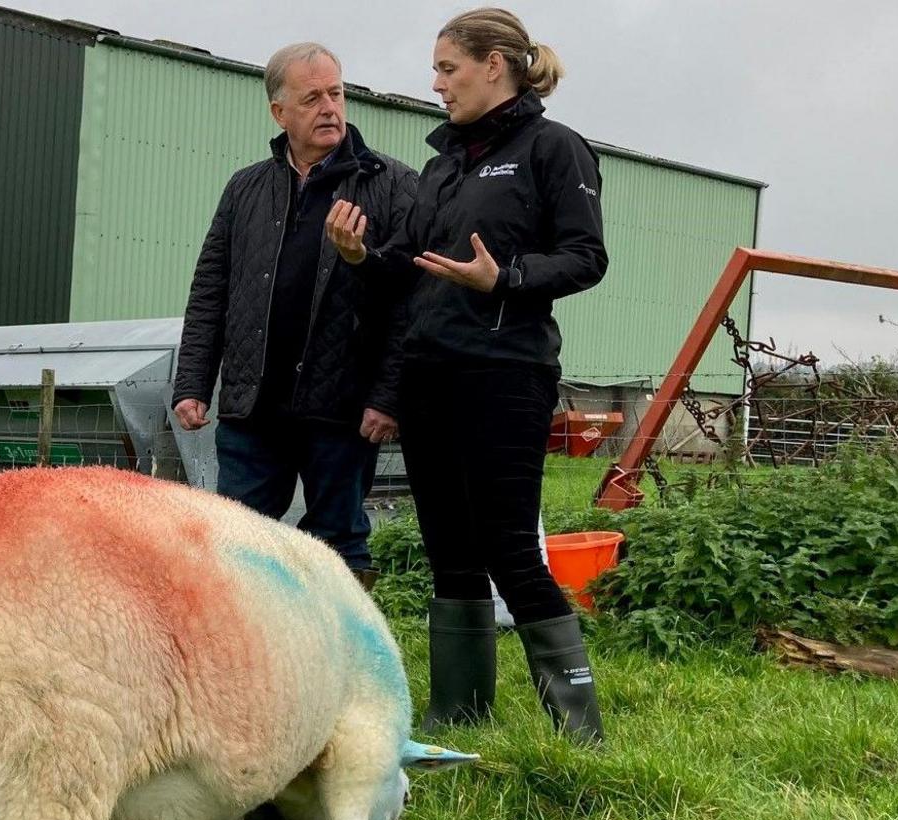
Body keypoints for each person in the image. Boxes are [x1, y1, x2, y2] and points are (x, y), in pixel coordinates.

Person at [326, 8, 607, 742]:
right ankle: (461, 714)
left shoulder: (555, 150)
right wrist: (360, 256)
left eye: (448, 68)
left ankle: (579, 732)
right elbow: (411, 266)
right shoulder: (443, 164)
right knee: (447, 547)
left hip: (506, 373)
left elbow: (586, 257)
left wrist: (503, 278)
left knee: (508, 548)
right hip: (431, 372)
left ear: (495, 65)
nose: (437, 83)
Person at [172, 42, 418, 588]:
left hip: (343, 406)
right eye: (312, 98)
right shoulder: (246, 188)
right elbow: (210, 291)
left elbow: (412, 301)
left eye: (336, 93)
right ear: (279, 112)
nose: (330, 107)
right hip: (254, 405)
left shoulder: (393, 185)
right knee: (237, 538)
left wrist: (387, 396)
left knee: (339, 542)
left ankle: (342, 658)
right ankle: (246, 658)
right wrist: (192, 382)